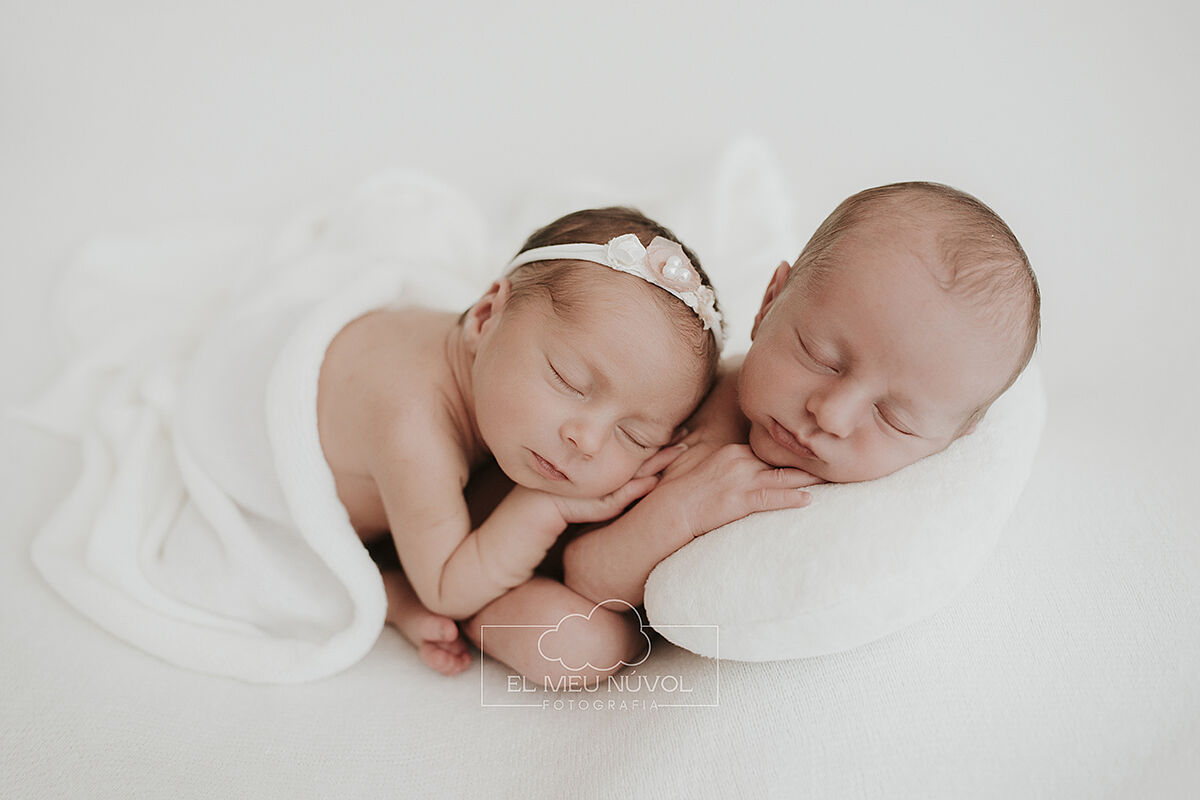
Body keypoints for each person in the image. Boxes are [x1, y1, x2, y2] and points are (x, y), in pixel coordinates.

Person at [461, 181, 1041, 687]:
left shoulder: (874, 510)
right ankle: (436, 599)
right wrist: (680, 513)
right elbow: (587, 570)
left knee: (579, 645)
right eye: (819, 357)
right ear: (769, 304)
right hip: (490, 527)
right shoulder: (703, 409)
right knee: (583, 648)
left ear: (953, 440)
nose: (830, 415)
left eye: (895, 419)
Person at [316, 207, 817, 676]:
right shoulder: (413, 427)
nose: (588, 440)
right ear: (487, 314)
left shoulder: (502, 380)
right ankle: (386, 588)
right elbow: (448, 587)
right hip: (292, 469)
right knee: (300, 568)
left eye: (634, 434)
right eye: (570, 382)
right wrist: (544, 508)